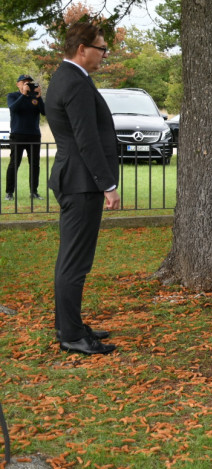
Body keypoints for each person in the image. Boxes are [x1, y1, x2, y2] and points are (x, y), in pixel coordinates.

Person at [46, 21, 121, 355]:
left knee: (72, 260)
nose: (104, 55)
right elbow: (86, 140)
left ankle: (70, 325)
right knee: (75, 262)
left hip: (75, 178)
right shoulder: (73, 82)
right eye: (101, 48)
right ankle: (71, 335)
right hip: (80, 182)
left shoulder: (68, 77)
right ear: (82, 49)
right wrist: (108, 185)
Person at [5, 74, 46, 200]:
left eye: (29, 82)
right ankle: (9, 192)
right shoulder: (13, 96)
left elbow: (45, 112)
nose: (27, 84)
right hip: (18, 134)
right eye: (24, 82)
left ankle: (34, 191)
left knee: (34, 164)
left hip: (34, 135)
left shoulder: (35, 97)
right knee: (14, 164)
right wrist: (23, 94)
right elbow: (13, 108)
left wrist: (39, 97)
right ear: (18, 84)